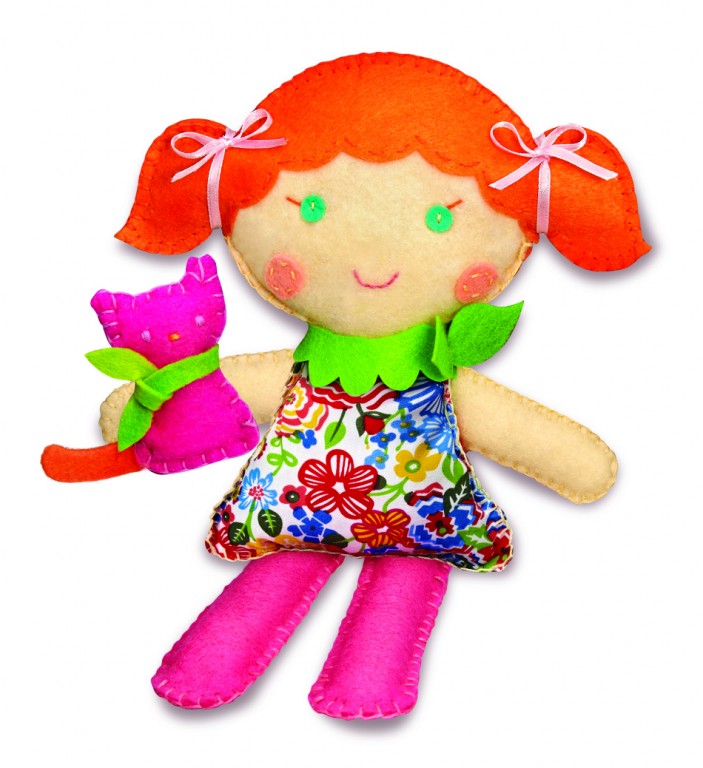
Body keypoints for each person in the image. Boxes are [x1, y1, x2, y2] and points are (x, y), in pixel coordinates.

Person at [112, 52, 648, 719]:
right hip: (300, 514)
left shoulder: (434, 367)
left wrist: (575, 463)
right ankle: (227, 658)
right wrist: (149, 404)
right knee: (285, 562)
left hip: (411, 515)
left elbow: (509, 427)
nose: (372, 261)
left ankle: (365, 680)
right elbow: (231, 389)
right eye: (309, 208)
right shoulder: (303, 367)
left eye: (441, 219)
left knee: (401, 578)